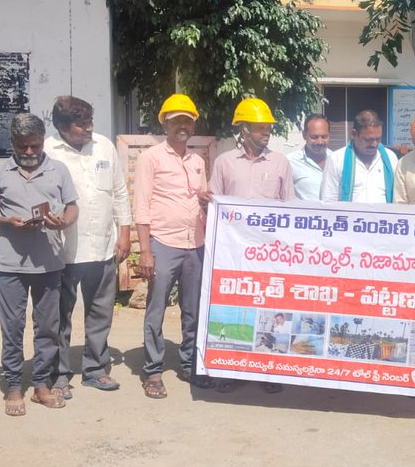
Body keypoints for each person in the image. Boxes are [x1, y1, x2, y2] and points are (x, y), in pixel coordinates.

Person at [0, 114, 79, 416]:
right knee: (12, 327)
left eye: (35, 146)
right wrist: (6, 221)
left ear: (43, 141)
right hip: (10, 264)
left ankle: (41, 384)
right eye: (24, 147)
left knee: (48, 328)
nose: (30, 153)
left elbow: (73, 206)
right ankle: (13, 385)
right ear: (13, 144)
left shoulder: (58, 171)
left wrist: (63, 223)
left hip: (49, 264)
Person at [46, 95, 131, 396]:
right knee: (59, 316)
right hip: (63, 252)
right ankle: (59, 375)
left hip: (103, 247)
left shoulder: (104, 146)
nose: (89, 129)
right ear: (61, 126)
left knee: (100, 311)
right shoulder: (47, 151)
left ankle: (95, 368)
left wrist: (124, 233)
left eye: (90, 122)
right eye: (81, 125)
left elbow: (119, 192)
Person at [210, 98, 294, 392]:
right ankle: (232, 370)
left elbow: (290, 210)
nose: (266, 133)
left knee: (268, 311)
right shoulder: (224, 163)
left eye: (269, 128)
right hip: (234, 254)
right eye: (260, 128)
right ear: (244, 130)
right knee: (235, 309)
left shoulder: (281, 163)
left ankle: (267, 372)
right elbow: (214, 207)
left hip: (269, 254)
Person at [132, 93, 212, 398]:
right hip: (163, 244)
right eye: (176, 120)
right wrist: (146, 251)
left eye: (187, 120)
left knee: (192, 309)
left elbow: (201, 198)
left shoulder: (197, 160)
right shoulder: (150, 158)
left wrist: (206, 199)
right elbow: (141, 206)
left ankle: (190, 364)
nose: (182, 125)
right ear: (164, 123)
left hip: (196, 244)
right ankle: (152, 370)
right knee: (156, 309)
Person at [319, 110, 397, 204]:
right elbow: (328, 201)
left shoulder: (390, 158)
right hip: (349, 218)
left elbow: (397, 199)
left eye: (378, 139)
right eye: (369, 139)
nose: (374, 144)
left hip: (384, 218)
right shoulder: (336, 159)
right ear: (354, 134)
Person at [288, 114, 330, 201]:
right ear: (304, 135)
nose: (320, 142)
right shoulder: (290, 162)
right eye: (314, 137)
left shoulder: (338, 160)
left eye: (324, 136)